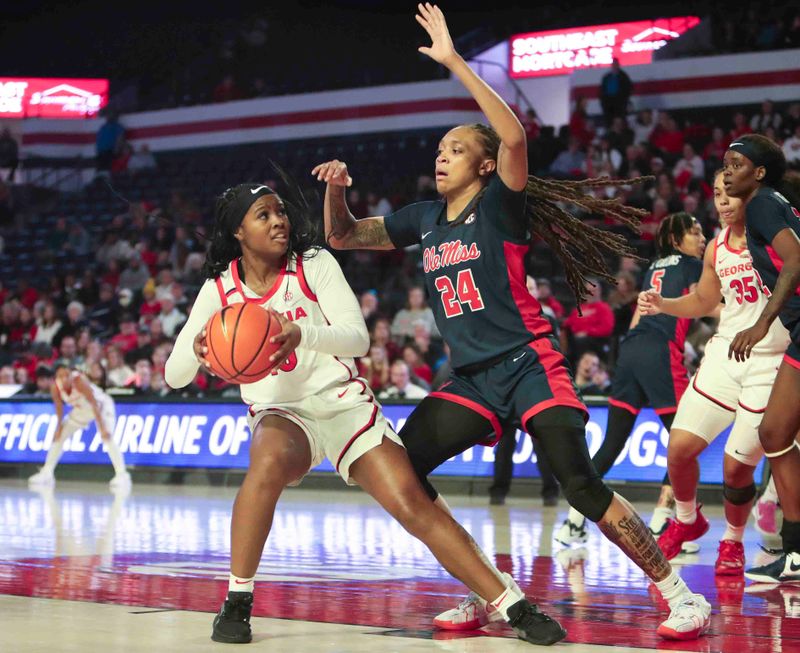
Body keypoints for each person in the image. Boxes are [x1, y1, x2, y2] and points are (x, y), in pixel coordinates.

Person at [313, 4, 710, 640]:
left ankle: (677, 592)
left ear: (485, 164)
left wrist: (454, 64)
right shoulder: (423, 218)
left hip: (529, 363)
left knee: (579, 482)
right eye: (440, 149)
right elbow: (340, 233)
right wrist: (335, 187)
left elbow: (517, 137)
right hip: (470, 377)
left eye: (458, 149)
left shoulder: (502, 204)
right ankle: (484, 585)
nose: (442, 157)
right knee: (402, 471)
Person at [164, 179, 565, 646]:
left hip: (343, 406)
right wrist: (198, 349)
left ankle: (512, 605)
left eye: (280, 212)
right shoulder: (219, 290)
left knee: (411, 503)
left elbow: (358, 339)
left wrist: (301, 332)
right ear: (238, 231)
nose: (279, 221)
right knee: (266, 461)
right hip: (283, 411)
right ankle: (237, 600)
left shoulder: (312, 264)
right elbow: (175, 375)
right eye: (263, 216)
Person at [638, 170, 789, 575]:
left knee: (735, 467)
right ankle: (688, 520)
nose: (722, 202)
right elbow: (705, 300)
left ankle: (733, 541)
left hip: (772, 362)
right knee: (679, 448)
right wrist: (663, 304)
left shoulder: (779, 239)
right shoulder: (716, 247)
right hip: (725, 355)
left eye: (731, 194)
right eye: (718, 194)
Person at [556, 213, 705, 545]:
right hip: (658, 351)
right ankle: (664, 523)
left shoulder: (654, 267)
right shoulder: (694, 265)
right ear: (677, 239)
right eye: (695, 232)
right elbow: (703, 304)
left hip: (632, 349)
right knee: (685, 442)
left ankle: (573, 522)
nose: (703, 238)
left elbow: (640, 312)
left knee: (612, 441)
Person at [724, 134, 800, 583]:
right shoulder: (770, 203)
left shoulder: (763, 205)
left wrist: (758, 325)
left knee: (775, 432)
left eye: (737, 164)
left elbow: (796, 259)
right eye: (726, 163)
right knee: (774, 433)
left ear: (760, 172)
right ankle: (794, 551)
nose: (728, 170)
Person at [28, 365, 130, 488]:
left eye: (66, 375)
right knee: (59, 437)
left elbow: (94, 403)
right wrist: (59, 427)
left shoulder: (79, 381)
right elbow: (59, 408)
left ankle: (122, 475)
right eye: (60, 376)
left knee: (107, 437)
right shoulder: (55, 387)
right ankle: (47, 473)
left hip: (101, 406)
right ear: (56, 377)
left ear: (71, 374)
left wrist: (102, 427)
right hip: (82, 409)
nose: (64, 378)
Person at [599, 58, 632, 126]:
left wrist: (623, 101)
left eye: (616, 64)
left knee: (620, 123)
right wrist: (603, 103)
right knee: (609, 124)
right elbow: (602, 91)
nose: (614, 66)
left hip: (619, 105)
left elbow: (628, 89)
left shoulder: (623, 76)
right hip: (608, 106)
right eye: (613, 64)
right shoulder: (606, 77)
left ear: (618, 65)